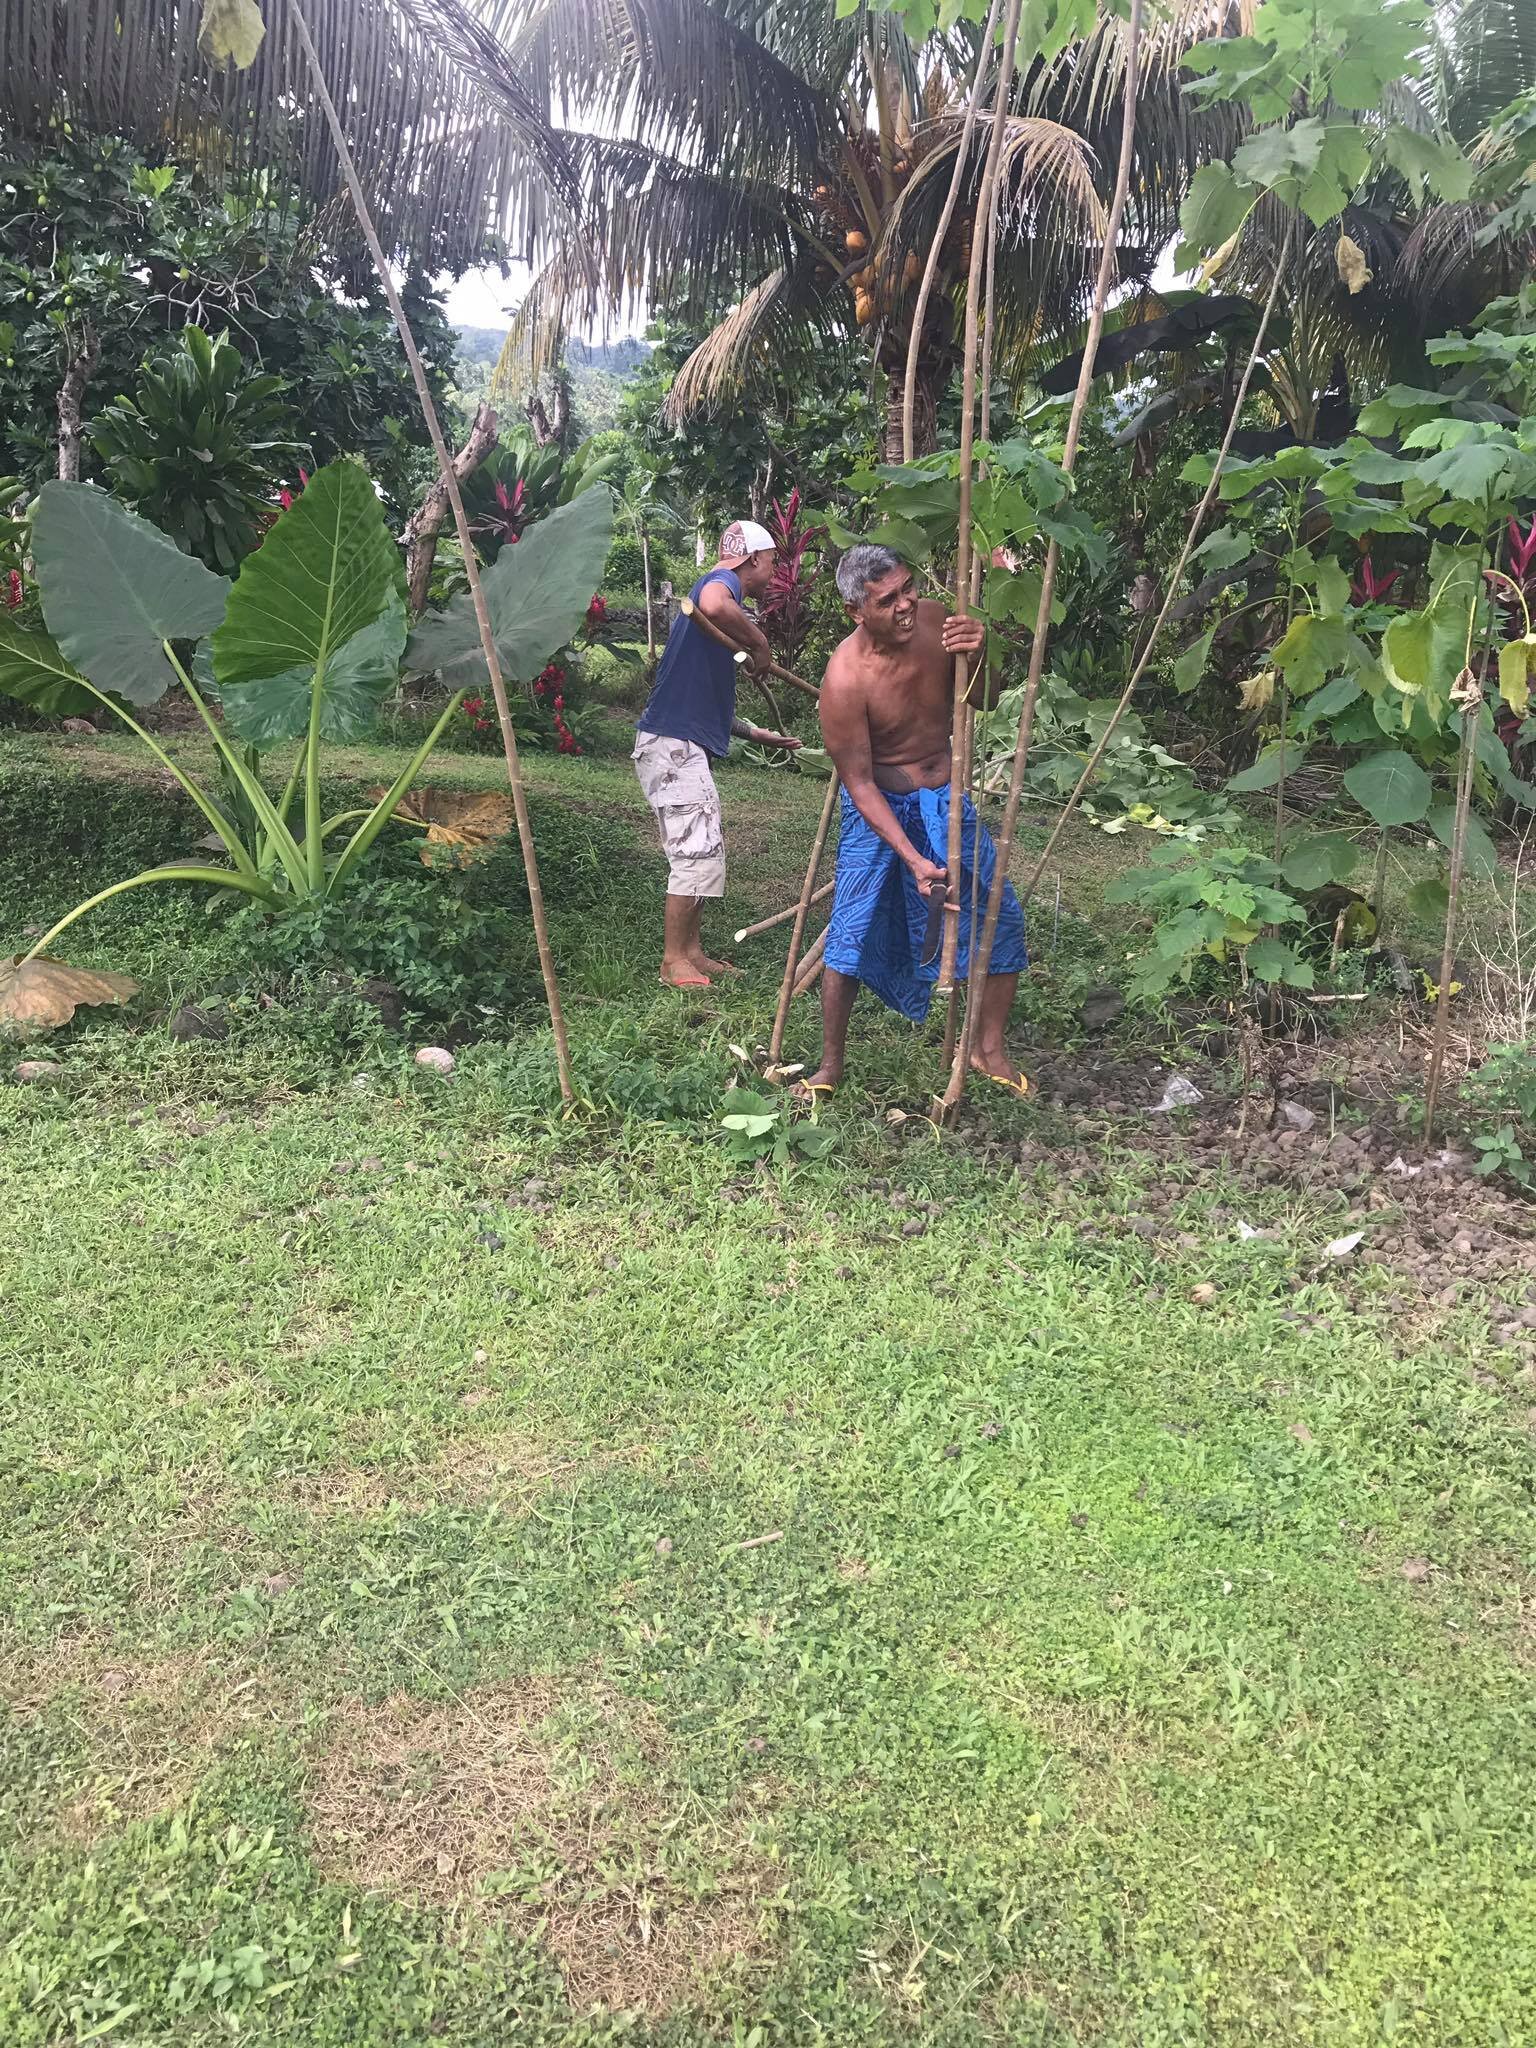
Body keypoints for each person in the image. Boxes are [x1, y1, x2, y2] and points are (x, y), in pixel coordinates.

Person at [802, 541, 1028, 1094]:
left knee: (1002, 915)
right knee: (851, 935)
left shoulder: (937, 622)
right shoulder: (844, 680)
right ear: (856, 611)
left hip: (947, 801)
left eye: (909, 588)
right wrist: (910, 856)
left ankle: (987, 1049)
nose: (905, 605)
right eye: (887, 600)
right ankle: (831, 1065)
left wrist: (978, 655)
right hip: (879, 810)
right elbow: (857, 782)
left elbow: (987, 701)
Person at [633, 519, 801, 988]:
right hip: (672, 747)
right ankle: (672, 961)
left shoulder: (711, 626)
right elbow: (711, 601)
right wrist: (761, 642)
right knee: (694, 850)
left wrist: (755, 733)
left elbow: (701, 703)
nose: (774, 571)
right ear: (753, 561)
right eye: (772, 561)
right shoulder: (718, 587)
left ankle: (692, 951)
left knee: (705, 846)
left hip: (680, 742)